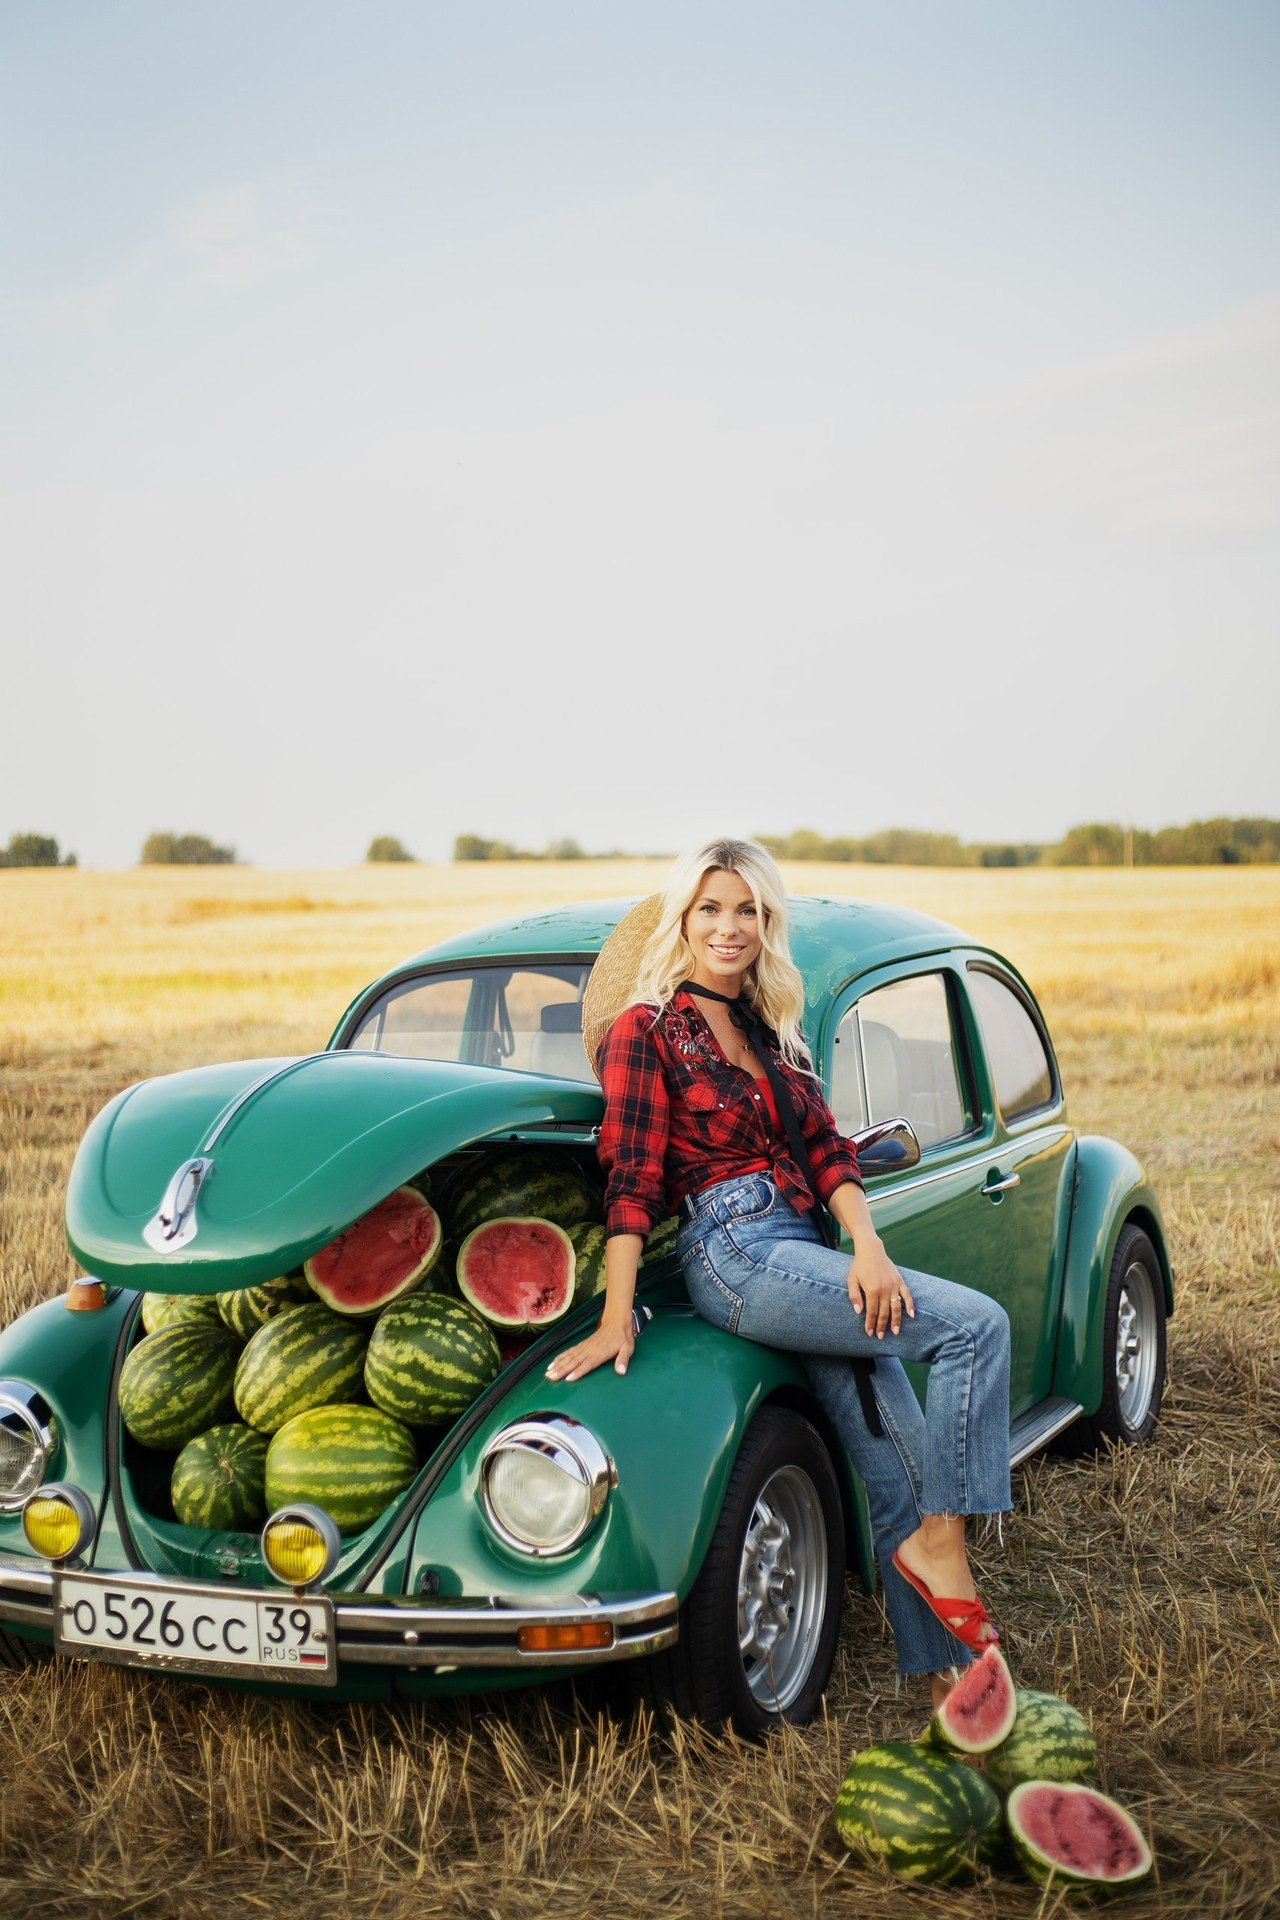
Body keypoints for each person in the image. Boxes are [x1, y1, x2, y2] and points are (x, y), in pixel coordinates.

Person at [546, 836, 1012, 1708]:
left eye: (748, 910)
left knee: (895, 1457)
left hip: (806, 1245)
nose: (730, 927)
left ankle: (948, 1683)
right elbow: (633, 1178)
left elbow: (832, 1154)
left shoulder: (771, 1029)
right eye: (711, 908)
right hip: (736, 1256)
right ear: (682, 920)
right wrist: (616, 1314)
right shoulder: (645, 1031)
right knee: (974, 1328)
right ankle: (945, 1540)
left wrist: (868, 1247)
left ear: (767, 923)